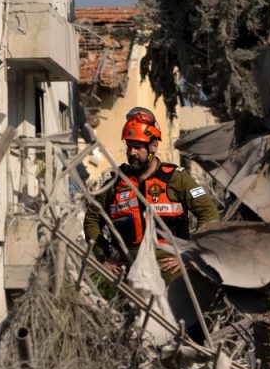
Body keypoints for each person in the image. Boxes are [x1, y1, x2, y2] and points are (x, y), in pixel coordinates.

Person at [85, 108, 220, 281]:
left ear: (153, 146)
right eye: (129, 146)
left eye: (138, 147)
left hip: (173, 278)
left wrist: (191, 255)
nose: (132, 152)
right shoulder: (115, 182)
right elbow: (92, 219)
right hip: (130, 276)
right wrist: (102, 257)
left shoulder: (177, 178)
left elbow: (209, 214)